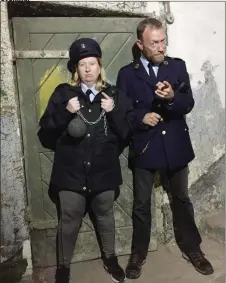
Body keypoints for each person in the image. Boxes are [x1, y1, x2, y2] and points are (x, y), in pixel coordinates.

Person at [116, 17, 214, 279]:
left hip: (175, 144)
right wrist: (140, 118)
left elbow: (187, 104)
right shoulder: (128, 73)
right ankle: (138, 254)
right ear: (140, 44)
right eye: (154, 43)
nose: (161, 48)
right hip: (145, 147)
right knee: (141, 205)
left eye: (163, 41)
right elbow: (122, 112)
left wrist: (171, 98)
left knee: (182, 200)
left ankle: (193, 249)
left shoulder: (177, 67)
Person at [38, 38, 134, 283]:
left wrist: (113, 112)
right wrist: (65, 112)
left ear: (100, 66)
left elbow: (125, 134)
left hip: (104, 172)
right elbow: (46, 132)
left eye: (92, 63)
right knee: (68, 219)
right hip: (71, 173)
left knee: (105, 216)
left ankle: (111, 259)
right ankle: (63, 268)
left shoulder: (113, 95)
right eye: (82, 64)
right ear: (76, 69)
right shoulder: (63, 94)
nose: (88, 69)